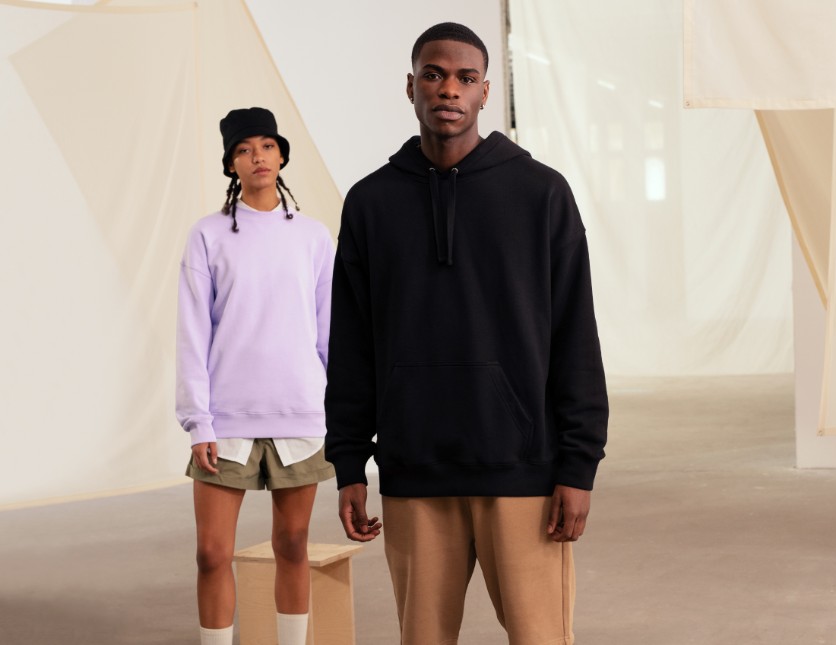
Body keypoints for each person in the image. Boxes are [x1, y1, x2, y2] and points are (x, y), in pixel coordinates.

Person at [324, 22, 609, 645]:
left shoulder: (541, 194)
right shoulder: (370, 203)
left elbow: (575, 338)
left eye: (465, 77)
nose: (448, 89)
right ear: (411, 87)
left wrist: (578, 465)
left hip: (522, 472)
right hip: (414, 469)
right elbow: (351, 345)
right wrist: (348, 460)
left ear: (484, 92)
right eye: (433, 75)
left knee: (541, 638)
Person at [176, 107, 335, 645]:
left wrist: (342, 412)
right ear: (231, 165)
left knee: (293, 545)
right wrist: (198, 421)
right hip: (226, 420)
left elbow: (329, 333)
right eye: (244, 150)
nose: (257, 157)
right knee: (211, 553)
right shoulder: (207, 235)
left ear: (282, 156)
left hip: (301, 414)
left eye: (267, 146)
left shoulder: (314, 238)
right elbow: (192, 332)